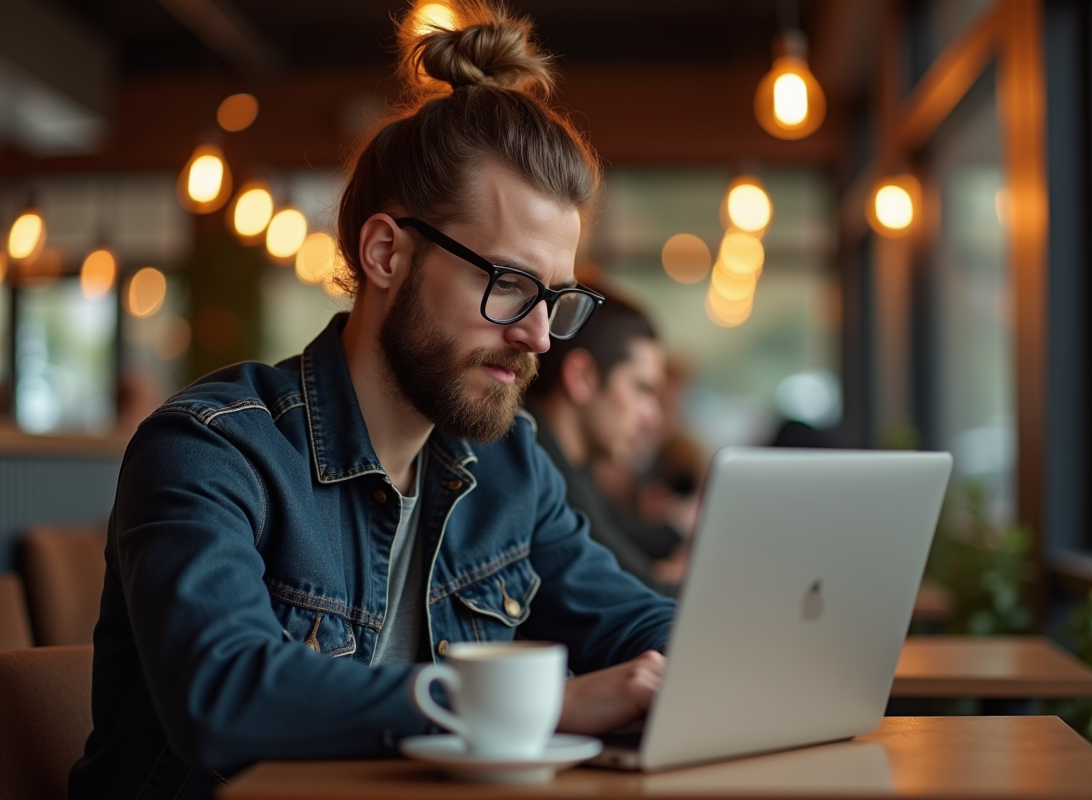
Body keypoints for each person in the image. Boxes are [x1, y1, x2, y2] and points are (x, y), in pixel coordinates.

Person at [69, 4, 673, 798]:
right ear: (386, 252)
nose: (538, 337)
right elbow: (222, 693)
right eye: (507, 285)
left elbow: (634, 625)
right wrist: (538, 707)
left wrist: (715, 657)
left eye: (554, 298)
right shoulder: (210, 449)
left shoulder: (510, 467)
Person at [523, 292, 687, 591]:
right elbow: (633, 585)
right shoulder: (534, 468)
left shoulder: (571, 466)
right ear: (582, 377)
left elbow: (625, 541)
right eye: (641, 388)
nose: (653, 416)